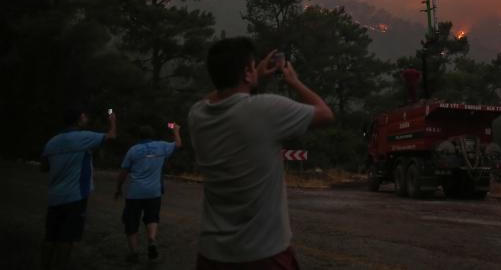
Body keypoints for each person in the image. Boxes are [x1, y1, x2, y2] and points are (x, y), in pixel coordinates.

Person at [189, 37, 334, 269]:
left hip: (211, 254)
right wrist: (294, 82)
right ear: (247, 72)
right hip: (264, 254)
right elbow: (325, 114)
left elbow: (210, 98)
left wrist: (250, 75)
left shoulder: (197, 116)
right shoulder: (265, 109)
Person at [41, 106, 117, 270]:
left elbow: (44, 166)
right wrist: (112, 120)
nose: (86, 118)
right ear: (78, 120)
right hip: (75, 196)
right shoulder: (83, 138)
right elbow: (111, 136)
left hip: (54, 196)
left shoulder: (52, 142)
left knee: (51, 237)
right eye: (83, 116)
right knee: (67, 238)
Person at [115, 123, 183, 263]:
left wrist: (118, 188)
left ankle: (134, 252)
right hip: (154, 193)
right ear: (152, 136)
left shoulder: (133, 150)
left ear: (139, 137)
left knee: (131, 222)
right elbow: (178, 144)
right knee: (152, 218)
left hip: (135, 193)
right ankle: (151, 239)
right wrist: (175, 130)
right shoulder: (161, 146)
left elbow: (123, 172)